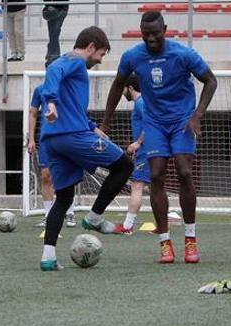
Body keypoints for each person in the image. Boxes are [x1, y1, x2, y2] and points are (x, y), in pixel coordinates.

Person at [101, 11, 218, 264]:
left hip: (182, 120)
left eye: (155, 33)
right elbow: (117, 84)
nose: (151, 38)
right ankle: (164, 242)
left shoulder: (183, 54)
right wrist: (106, 122)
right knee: (155, 177)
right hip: (153, 123)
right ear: (140, 32)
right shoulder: (133, 56)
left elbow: (210, 81)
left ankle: (190, 238)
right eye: (146, 34)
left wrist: (197, 115)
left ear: (165, 29)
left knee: (185, 171)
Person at [38, 26, 135, 271]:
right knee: (124, 165)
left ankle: (48, 257)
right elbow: (54, 70)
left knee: (65, 198)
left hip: (54, 141)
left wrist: (91, 126)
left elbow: (72, 107)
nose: (100, 60)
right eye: (101, 54)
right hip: (72, 137)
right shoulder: (74, 61)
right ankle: (94, 218)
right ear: (90, 47)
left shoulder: (70, 67)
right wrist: (50, 101)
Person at [28, 80, 77, 228]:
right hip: (47, 138)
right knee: (46, 175)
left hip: (66, 136)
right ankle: (48, 215)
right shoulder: (40, 89)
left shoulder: (69, 87)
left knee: (67, 174)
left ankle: (69, 213)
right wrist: (31, 139)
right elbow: (33, 113)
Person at [113, 74, 149, 235]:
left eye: (123, 89)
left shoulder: (141, 103)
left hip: (146, 151)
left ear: (130, 88)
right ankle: (162, 225)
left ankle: (128, 226)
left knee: (137, 186)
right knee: (157, 188)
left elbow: (150, 124)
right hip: (152, 149)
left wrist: (138, 143)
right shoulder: (143, 102)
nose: (122, 93)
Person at [43, 0, 69, 65]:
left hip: (61, 9)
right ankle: (52, 54)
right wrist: (49, 5)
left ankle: (53, 54)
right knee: (53, 32)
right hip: (50, 11)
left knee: (54, 32)